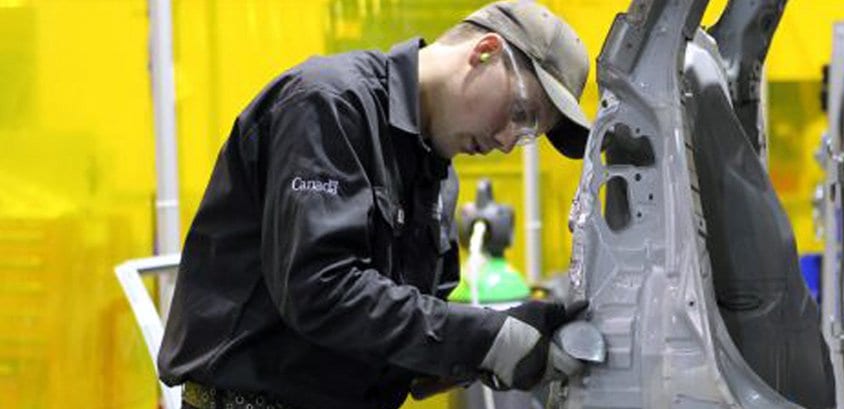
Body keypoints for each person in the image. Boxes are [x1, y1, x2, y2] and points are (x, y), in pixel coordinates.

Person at [158, 2, 592, 408]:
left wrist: (500, 344)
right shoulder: (328, 105)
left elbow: (403, 341)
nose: (506, 141)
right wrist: (483, 338)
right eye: (520, 112)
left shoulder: (437, 176)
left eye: (527, 134)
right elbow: (320, 290)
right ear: (485, 51)